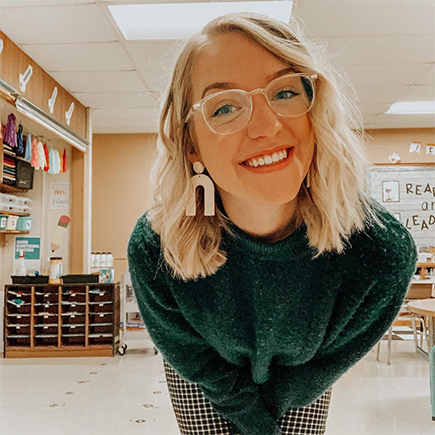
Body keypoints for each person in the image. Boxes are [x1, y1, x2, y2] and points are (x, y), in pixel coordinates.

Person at [127, 12, 418, 435]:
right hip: (206, 365)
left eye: (285, 92)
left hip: (301, 373)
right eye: (225, 107)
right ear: (192, 144)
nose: (266, 126)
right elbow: (194, 359)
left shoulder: (380, 252)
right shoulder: (158, 247)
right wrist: (254, 422)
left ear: (315, 111)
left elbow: (323, 365)